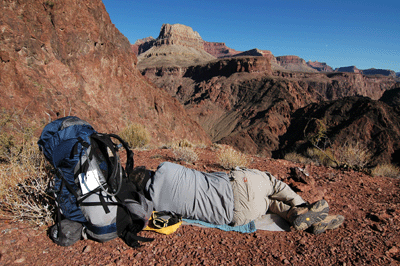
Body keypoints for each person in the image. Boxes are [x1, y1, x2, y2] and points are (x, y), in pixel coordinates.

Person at [137, 162, 344, 235]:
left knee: (269, 205)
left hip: (238, 216)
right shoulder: (165, 168)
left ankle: (297, 216)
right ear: (149, 173)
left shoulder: (154, 206)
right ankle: (302, 206)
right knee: (272, 183)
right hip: (238, 186)